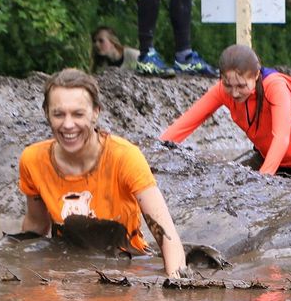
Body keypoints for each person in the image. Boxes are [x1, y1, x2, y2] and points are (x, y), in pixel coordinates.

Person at [17, 69, 187, 278]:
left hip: (126, 267)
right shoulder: (32, 160)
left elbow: (168, 238)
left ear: (96, 112)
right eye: (58, 114)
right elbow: (35, 227)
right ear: (47, 113)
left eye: (78, 114)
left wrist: (174, 291)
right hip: (68, 267)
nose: (68, 124)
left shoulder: (125, 157)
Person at [160, 45, 291, 183]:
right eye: (228, 85)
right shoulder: (222, 90)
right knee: (230, 182)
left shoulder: (275, 86)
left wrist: (262, 180)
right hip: (265, 156)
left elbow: (281, 138)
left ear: (256, 75)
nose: (235, 93)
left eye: (241, 86)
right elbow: (187, 122)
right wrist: (157, 149)